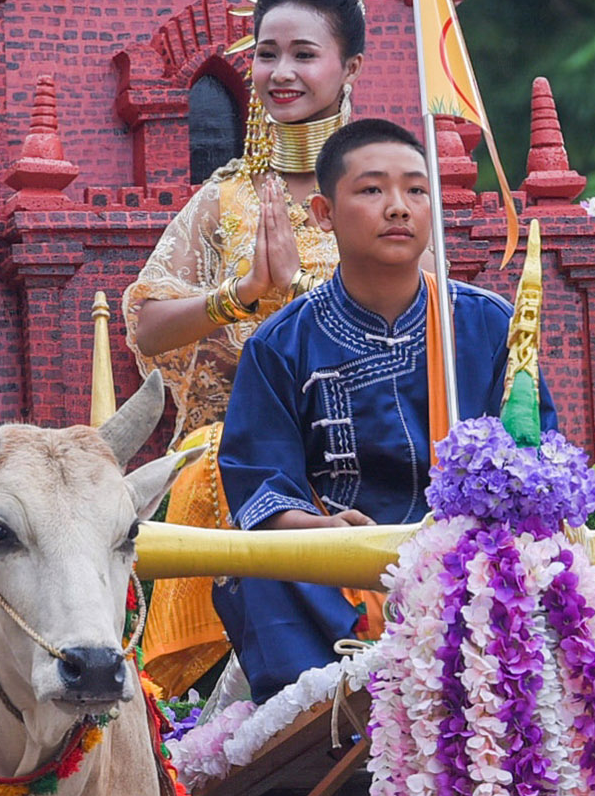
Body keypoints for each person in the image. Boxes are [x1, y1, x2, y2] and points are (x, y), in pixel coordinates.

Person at [124, 0, 363, 695]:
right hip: (239, 449)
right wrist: (241, 296)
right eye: (265, 53)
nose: (279, 72)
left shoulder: (377, 189)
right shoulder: (224, 201)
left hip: (371, 433)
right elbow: (145, 326)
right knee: (230, 474)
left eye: (302, 53)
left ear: (348, 67)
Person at [215, 116, 511, 702]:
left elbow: (532, 452)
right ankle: (330, 705)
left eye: (416, 190)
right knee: (257, 563)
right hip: (339, 567)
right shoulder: (281, 344)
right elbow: (260, 484)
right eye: (373, 190)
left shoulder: (488, 324)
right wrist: (320, 532)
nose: (398, 207)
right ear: (324, 213)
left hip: (468, 557)